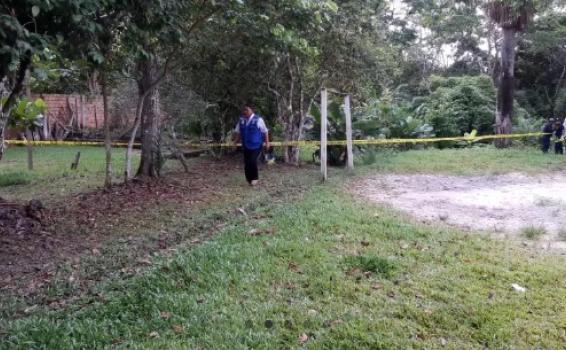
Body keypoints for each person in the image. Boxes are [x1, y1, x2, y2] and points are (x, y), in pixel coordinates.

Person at [234, 105, 270, 186]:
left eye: (247, 110)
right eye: (244, 110)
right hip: (246, 145)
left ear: (252, 110)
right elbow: (238, 132)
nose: (245, 111)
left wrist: (267, 143)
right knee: (247, 163)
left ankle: (255, 178)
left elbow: (265, 131)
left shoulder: (258, 120)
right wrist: (235, 142)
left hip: (256, 145)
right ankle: (249, 179)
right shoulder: (241, 120)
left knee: (252, 161)